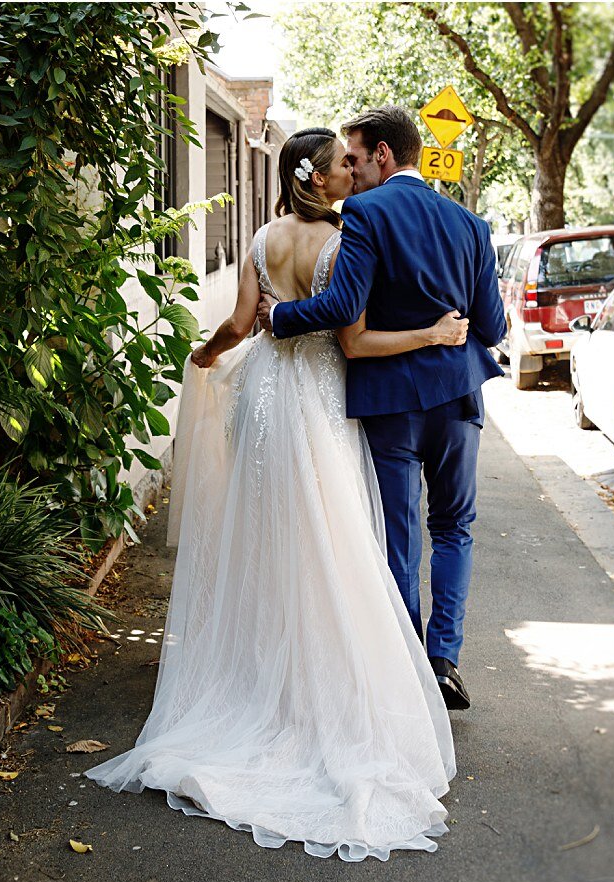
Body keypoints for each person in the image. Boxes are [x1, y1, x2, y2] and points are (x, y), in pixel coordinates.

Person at [86, 127, 470, 862]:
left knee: (263, 536)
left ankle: (256, 678)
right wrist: (431, 334)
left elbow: (237, 324)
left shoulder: (262, 236)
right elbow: (353, 342)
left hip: (262, 395)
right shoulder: (344, 239)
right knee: (329, 540)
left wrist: (202, 358)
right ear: (321, 179)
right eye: (342, 168)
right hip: (318, 400)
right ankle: (314, 694)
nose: (351, 177)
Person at [259, 106, 507, 712]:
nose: (352, 167)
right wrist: (443, 331)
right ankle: (444, 661)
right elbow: (494, 325)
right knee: (454, 527)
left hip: (390, 399)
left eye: (356, 155)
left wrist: (280, 316)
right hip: (456, 398)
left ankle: (404, 669)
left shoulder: (365, 214)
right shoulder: (472, 226)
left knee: (396, 533)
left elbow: (344, 304)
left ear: (383, 156)